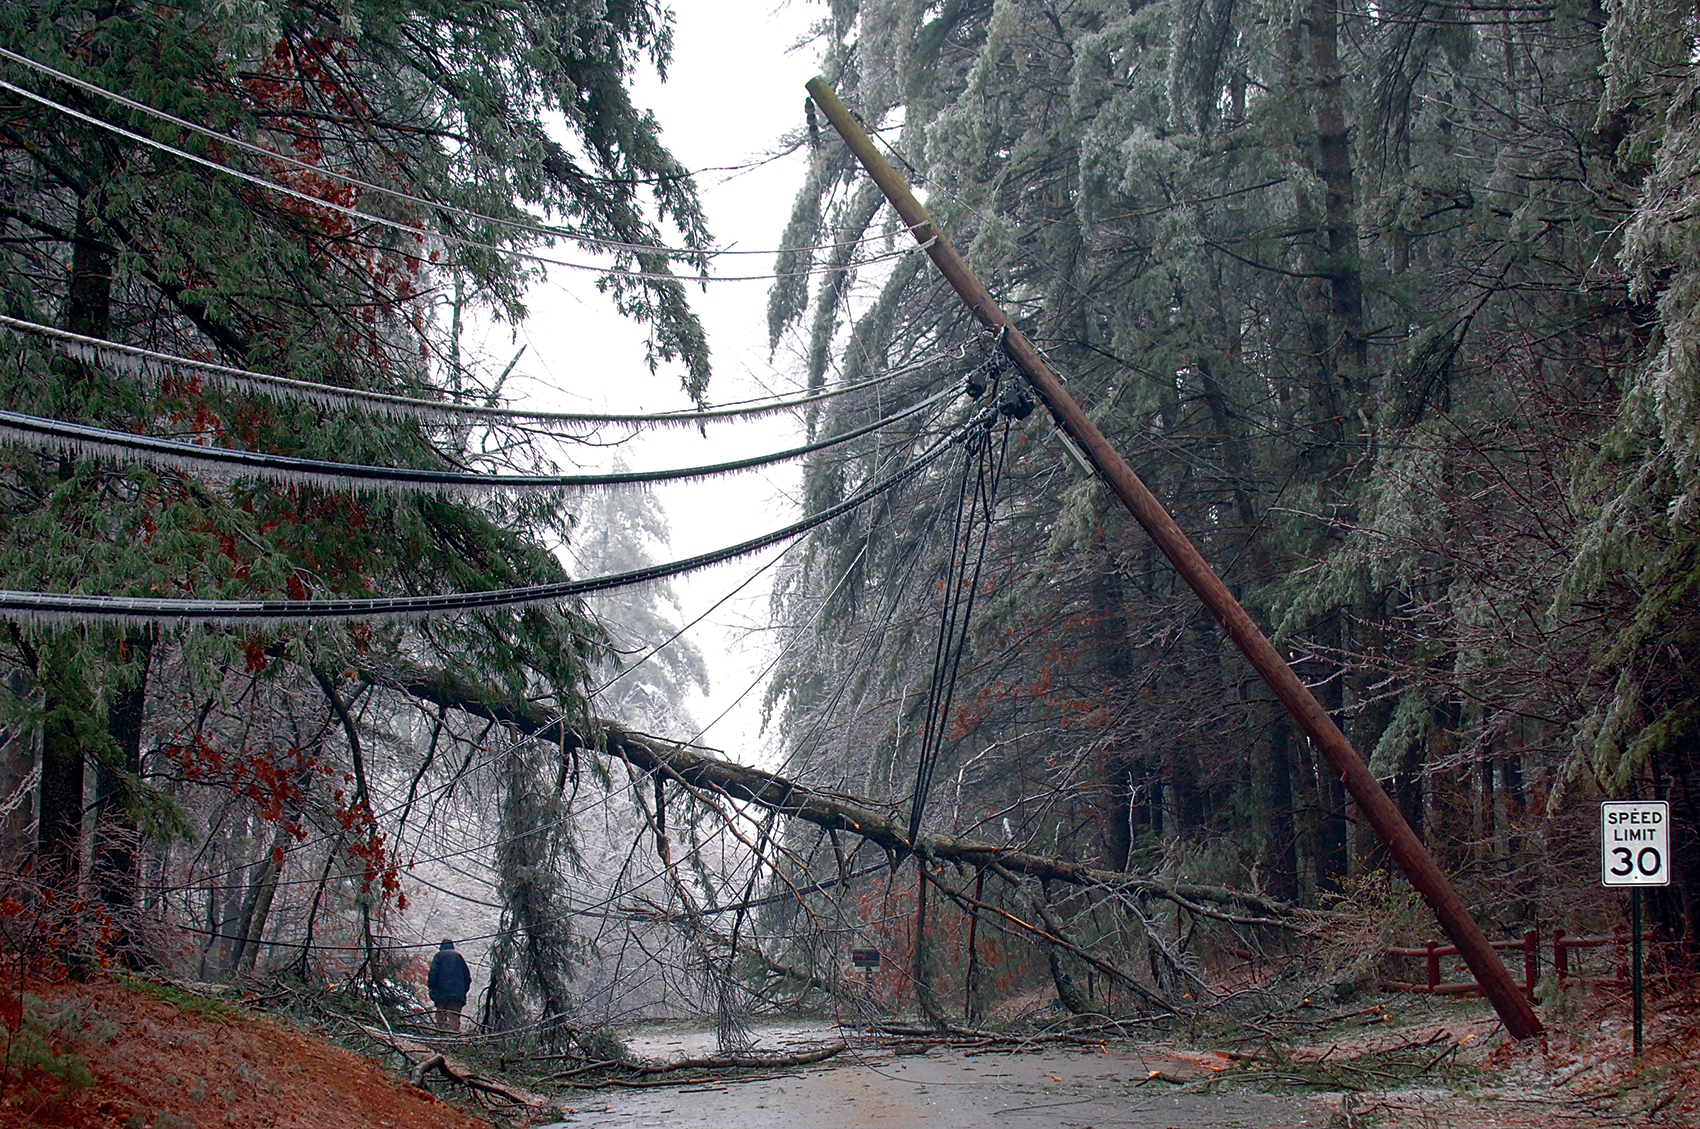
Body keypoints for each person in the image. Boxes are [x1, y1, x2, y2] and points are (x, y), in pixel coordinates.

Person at [427, 939, 471, 1032]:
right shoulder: (459, 957)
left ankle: (441, 1037)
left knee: (441, 1018)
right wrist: (462, 992)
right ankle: (453, 1040)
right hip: (457, 996)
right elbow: (467, 978)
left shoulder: (439, 956)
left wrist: (432, 990)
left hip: (441, 994)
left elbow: (433, 975)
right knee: (454, 1019)